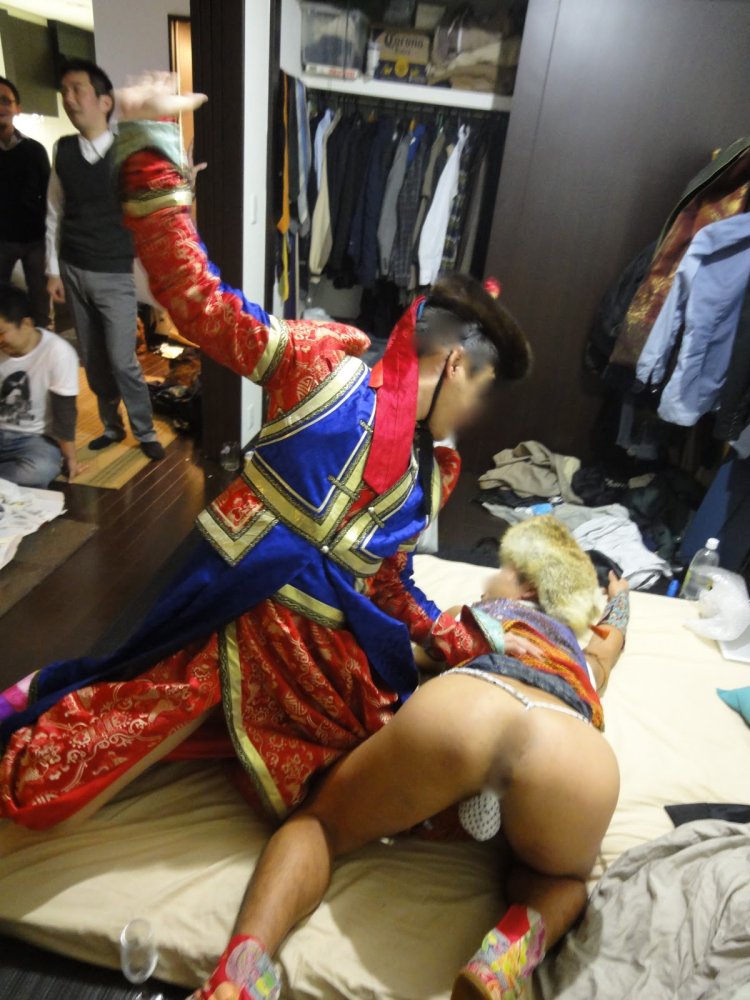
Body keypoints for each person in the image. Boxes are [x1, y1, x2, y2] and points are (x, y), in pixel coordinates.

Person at [0, 79, 533, 831]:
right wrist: (148, 142)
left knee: (385, 754)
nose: (475, 415)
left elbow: (386, 580)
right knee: (72, 763)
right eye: (481, 389)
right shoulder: (324, 365)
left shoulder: (427, 473)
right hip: (227, 608)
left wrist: (449, 635)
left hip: (318, 654)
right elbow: (197, 300)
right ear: (454, 364)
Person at [188, 516, 628, 1000]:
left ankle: (240, 977)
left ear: (527, 587)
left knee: (320, 824)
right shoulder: (585, 662)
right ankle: (502, 960)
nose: (487, 584)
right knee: (561, 880)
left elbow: (406, 650)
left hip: (474, 702)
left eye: (500, 571)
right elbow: (612, 638)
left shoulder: (480, 615)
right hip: (568, 738)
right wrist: (620, 595)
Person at [45, 59, 163, 460]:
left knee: (122, 360)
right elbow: (54, 212)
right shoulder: (63, 150)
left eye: (77, 89)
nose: (68, 98)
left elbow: (151, 206)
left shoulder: (127, 152)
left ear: (105, 101)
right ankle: (112, 427)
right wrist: (51, 271)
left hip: (114, 271)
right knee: (93, 360)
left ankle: (145, 431)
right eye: (64, 91)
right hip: (72, 267)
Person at [0, 283, 82, 486]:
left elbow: (65, 412)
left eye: (1, 332)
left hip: (34, 439)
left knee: (39, 470)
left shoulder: (58, 352)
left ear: (26, 324)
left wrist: (70, 459)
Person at [0, 76, 52, 330]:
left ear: (17, 108)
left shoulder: (35, 151)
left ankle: (44, 349)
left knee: (42, 305)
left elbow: (50, 197)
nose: (0, 107)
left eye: (5, 100)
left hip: (36, 241)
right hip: (1, 241)